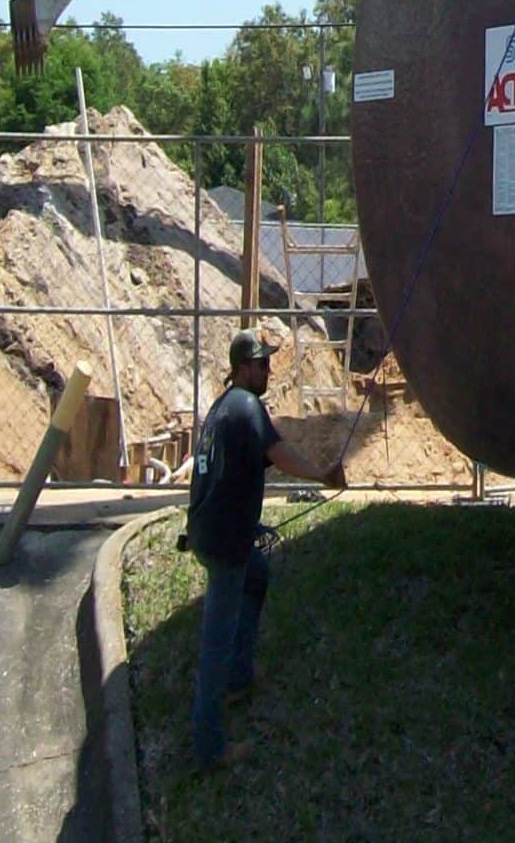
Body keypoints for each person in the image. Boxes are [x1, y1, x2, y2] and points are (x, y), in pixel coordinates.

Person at [179, 327, 344, 773]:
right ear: (241, 369)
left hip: (208, 531)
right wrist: (323, 475)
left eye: (269, 361)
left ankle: (240, 677)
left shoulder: (222, 408)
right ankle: (210, 747)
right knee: (215, 640)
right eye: (261, 363)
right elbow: (281, 454)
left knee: (258, 575)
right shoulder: (248, 408)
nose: (268, 369)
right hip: (225, 541)